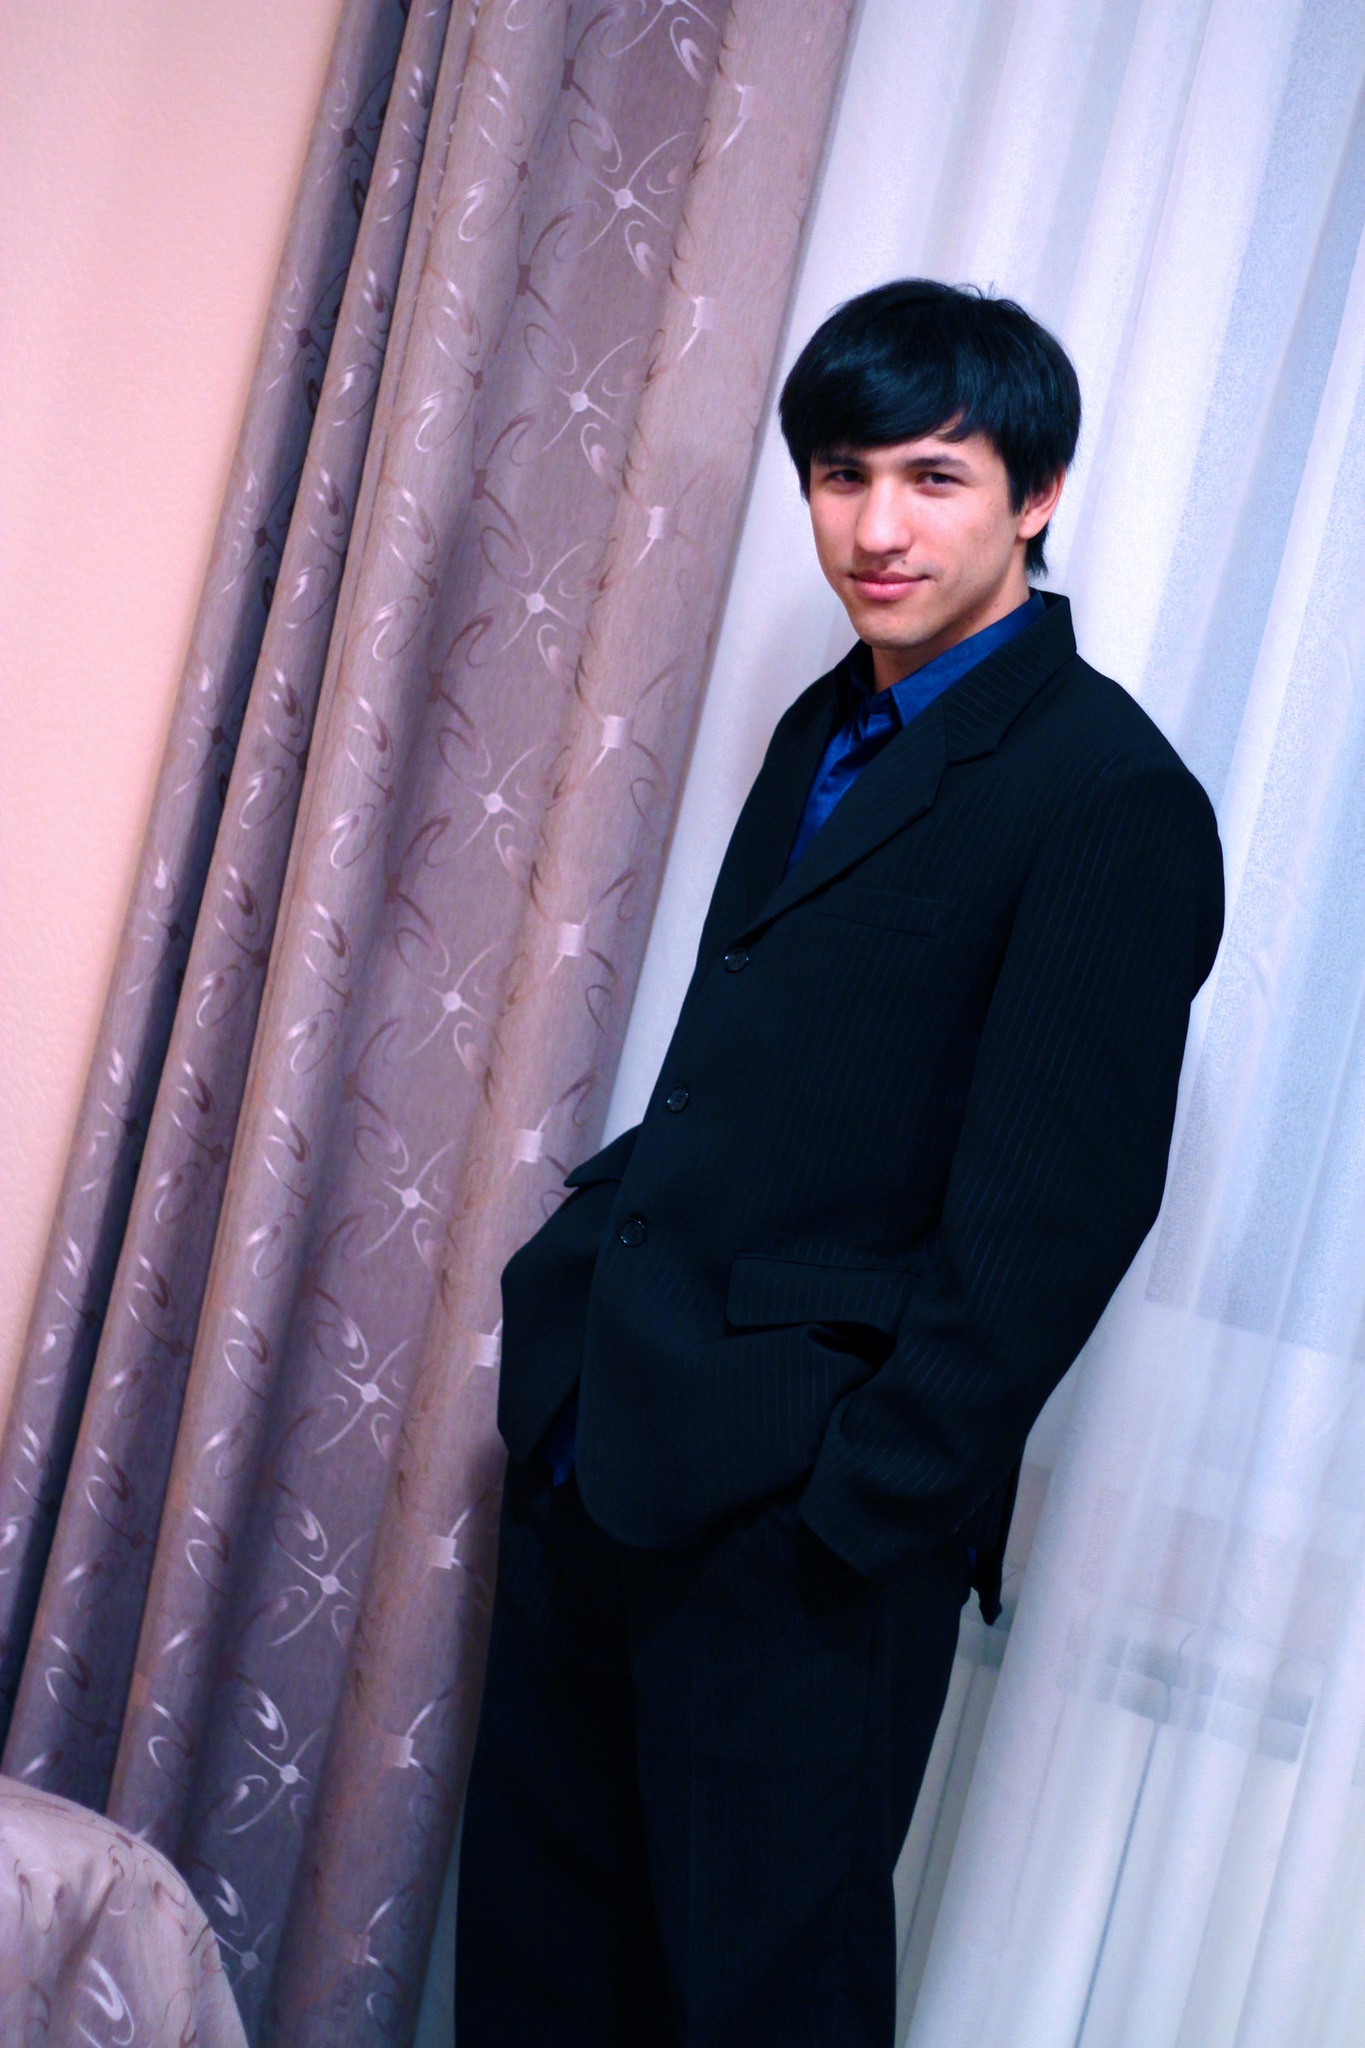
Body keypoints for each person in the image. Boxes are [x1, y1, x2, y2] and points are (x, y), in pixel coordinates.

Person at [456, 279, 1224, 2047]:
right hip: (602, 1450)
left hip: (799, 1530)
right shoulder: (827, 721)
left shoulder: (1108, 795)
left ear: (1034, 495)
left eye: (933, 477)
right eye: (840, 474)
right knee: (538, 1978)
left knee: (758, 2007)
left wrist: (852, 1511)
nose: (876, 527)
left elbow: (1057, 1214)